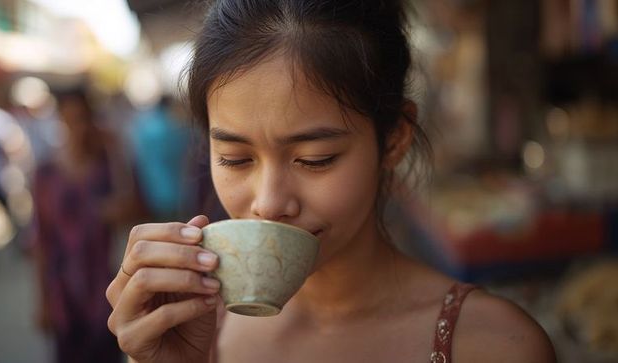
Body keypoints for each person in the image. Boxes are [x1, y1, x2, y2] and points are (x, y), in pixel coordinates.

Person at [106, 1, 557, 362]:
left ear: (395, 138)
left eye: (315, 159)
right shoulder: (188, 330)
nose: (268, 203)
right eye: (235, 158)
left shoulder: (492, 347)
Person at [30, 88, 123, 363]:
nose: (77, 126)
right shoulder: (46, 172)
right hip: (64, 289)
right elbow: (41, 239)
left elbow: (136, 207)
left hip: (103, 285)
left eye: (82, 118)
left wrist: (116, 149)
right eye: (70, 118)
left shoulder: (107, 164)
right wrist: (43, 300)